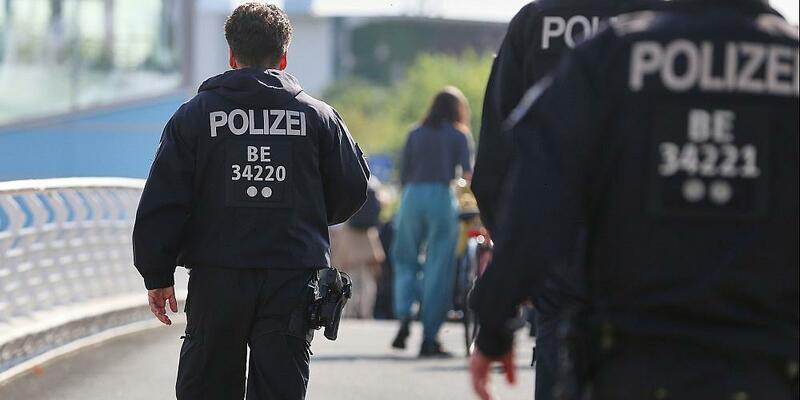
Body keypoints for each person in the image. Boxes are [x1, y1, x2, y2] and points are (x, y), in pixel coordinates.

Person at [470, 1, 799, 399]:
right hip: (770, 360)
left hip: (634, 355)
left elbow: (535, 189)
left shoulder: (612, 55)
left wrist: (496, 317)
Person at [131, 3, 369, 399]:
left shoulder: (194, 117)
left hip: (217, 275)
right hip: (293, 274)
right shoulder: (318, 117)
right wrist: (307, 215)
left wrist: (157, 274)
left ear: (231, 54)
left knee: (206, 386)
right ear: (283, 56)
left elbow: (164, 199)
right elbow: (353, 188)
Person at [470, 1, 642, 398]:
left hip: (559, 259)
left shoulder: (535, 22)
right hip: (653, 259)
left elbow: (497, 161)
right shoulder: (666, 26)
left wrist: (516, 262)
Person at [391, 87, 474, 357]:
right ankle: (429, 337)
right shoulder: (459, 135)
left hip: (412, 195)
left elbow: (402, 173)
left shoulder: (415, 132)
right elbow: (468, 175)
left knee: (405, 258)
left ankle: (404, 313)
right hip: (441, 194)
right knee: (439, 267)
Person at [330, 176, 386, 319]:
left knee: (350, 275)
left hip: (350, 233)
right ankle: (366, 312)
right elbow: (383, 203)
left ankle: (349, 311)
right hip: (368, 235)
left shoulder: (349, 179)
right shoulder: (374, 182)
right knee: (368, 277)